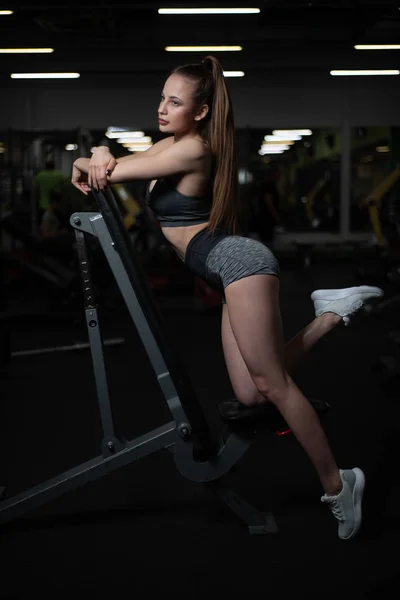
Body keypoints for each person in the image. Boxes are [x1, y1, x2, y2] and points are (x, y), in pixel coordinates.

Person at [71, 56, 383, 540]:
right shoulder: (171, 143)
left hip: (238, 263)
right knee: (250, 392)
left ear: (199, 112)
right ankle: (330, 315)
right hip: (223, 270)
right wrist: (93, 150)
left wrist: (97, 155)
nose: (162, 108)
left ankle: (338, 484)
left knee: (274, 385)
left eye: (175, 102)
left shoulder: (193, 148)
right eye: (162, 98)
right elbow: (110, 164)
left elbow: (108, 171)